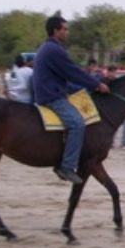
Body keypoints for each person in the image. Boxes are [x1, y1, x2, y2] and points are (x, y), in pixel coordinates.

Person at [33, 15, 110, 184]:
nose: (67, 32)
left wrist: (82, 88)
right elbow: (73, 72)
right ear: (56, 31)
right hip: (52, 96)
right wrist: (96, 84)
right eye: (65, 29)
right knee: (77, 124)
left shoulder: (48, 48)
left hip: (52, 91)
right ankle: (66, 166)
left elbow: (65, 79)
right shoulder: (54, 50)